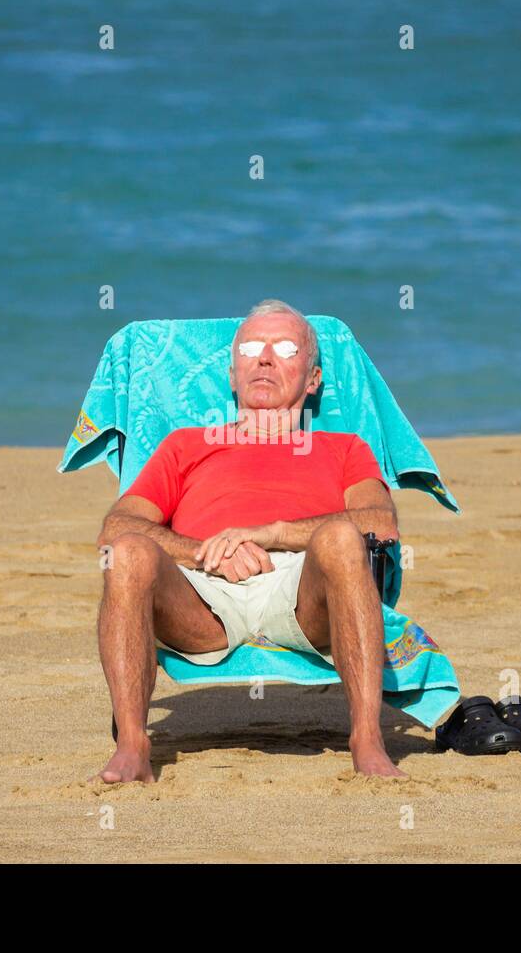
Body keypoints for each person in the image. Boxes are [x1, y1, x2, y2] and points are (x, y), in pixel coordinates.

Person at [94, 300, 404, 782]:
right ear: (233, 375)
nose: (265, 359)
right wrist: (208, 551)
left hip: (304, 588)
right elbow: (116, 529)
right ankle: (133, 745)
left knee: (344, 537)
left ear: (313, 379)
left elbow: (379, 523)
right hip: (201, 590)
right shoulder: (186, 444)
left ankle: (367, 739)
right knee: (127, 554)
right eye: (251, 349)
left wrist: (274, 533)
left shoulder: (343, 448)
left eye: (285, 348)